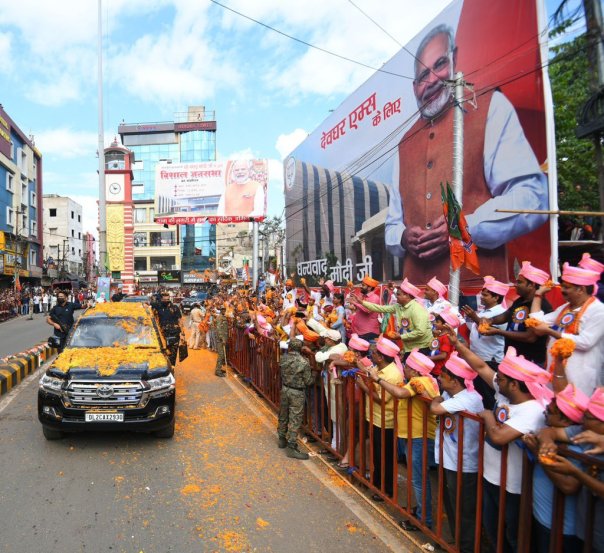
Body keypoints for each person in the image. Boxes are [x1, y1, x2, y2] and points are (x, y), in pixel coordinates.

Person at [384, 24, 548, 285]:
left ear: (455, 60)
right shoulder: (404, 144)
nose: (432, 81)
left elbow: (532, 197)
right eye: (422, 76)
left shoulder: (489, 106)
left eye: (439, 65)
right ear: (415, 87)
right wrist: (403, 237)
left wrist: (464, 227)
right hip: (415, 298)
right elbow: (392, 228)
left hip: (478, 295)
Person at [450, 331, 551, 553]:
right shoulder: (506, 394)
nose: (497, 380)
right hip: (491, 478)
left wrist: (487, 415)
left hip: (513, 486)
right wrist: (456, 343)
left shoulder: (533, 410)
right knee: (493, 530)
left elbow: (498, 437)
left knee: (514, 537)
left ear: (514, 384)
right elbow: (480, 367)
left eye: (502, 379)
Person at [369, 348, 439, 528]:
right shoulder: (421, 380)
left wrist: (377, 379)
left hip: (418, 437)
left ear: (415, 370)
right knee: (418, 478)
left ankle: (424, 520)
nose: (404, 369)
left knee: (419, 479)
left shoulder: (419, 381)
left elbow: (400, 394)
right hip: (412, 434)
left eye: (407, 366)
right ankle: (422, 512)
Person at [430, 352, 484, 553]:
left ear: (454, 380)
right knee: (452, 505)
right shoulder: (451, 394)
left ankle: (467, 547)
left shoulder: (469, 399)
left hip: (464, 464)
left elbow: (435, 409)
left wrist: (435, 399)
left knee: (465, 510)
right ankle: (456, 541)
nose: (438, 379)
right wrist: (438, 397)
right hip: (449, 460)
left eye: (442, 377)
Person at [529, 261, 604, 395]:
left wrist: (549, 331)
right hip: (555, 371)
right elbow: (536, 321)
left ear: (580, 289)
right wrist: (538, 294)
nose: (562, 290)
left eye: (566, 287)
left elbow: (585, 342)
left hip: (580, 376)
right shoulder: (565, 308)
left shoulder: (599, 310)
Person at [356, 337, 405, 500]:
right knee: (377, 454)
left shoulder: (392, 374)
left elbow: (382, 399)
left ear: (381, 357)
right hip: (375, 417)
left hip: (386, 421)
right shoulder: (378, 367)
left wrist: (363, 387)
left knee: (385, 457)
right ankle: (377, 484)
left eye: (375, 353)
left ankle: (386, 490)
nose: (372, 354)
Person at [480, 261, 552, 367]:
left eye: (519, 282)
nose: (515, 285)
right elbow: (507, 315)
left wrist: (499, 332)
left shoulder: (542, 306)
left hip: (530, 362)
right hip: (512, 358)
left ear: (531, 285)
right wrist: (490, 320)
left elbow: (530, 337)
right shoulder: (520, 300)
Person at [462, 275, 509, 409]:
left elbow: (488, 331)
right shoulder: (484, 311)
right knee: (478, 395)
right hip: (478, 360)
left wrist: (475, 317)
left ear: (496, 298)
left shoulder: (501, 313)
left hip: (491, 362)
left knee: (488, 397)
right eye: (482, 294)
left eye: (486, 295)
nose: (482, 297)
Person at [352, 278, 432, 357]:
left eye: (398, 294)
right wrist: (361, 302)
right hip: (409, 346)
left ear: (407, 296)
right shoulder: (398, 306)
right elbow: (381, 308)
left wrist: (401, 336)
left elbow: (421, 331)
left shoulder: (417, 309)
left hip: (422, 347)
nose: (396, 296)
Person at [277, 339, 314, 460]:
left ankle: (281, 438)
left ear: (290, 348)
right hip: (297, 392)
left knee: (283, 414)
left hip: (285, 389)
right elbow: (308, 381)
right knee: (295, 418)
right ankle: (291, 446)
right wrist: (314, 375)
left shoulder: (283, 358)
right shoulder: (304, 362)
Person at [152, 291, 184, 366]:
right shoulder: (158, 307)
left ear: (170, 299)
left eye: (167, 299)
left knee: (173, 354)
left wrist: (183, 334)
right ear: (161, 300)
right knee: (163, 353)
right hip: (162, 335)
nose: (166, 301)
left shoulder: (175, 308)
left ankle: (171, 369)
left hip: (174, 334)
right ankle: (164, 369)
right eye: (164, 300)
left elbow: (180, 321)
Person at [349, 275, 381, 341]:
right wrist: (353, 301)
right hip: (360, 332)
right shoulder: (362, 296)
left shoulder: (375, 297)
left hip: (369, 333)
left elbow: (367, 310)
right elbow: (356, 308)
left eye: (363, 285)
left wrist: (355, 302)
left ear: (369, 288)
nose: (361, 287)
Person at [213, 306, 229, 377]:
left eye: (224, 309)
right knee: (221, 355)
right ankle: (218, 371)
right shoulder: (220, 318)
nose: (223, 310)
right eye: (222, 309)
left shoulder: (223, 317)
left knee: (222, 355)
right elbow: (219, 328)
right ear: (220, 310)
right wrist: (222, 338)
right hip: (220, 339)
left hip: (223, 338)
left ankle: (219, 368)